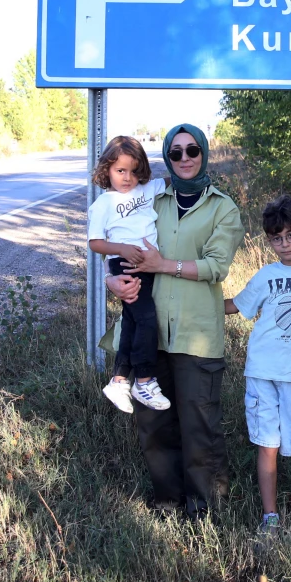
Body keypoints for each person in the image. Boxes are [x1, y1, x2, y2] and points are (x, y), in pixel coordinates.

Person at [106, 124, 242, 520]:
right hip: (148, 332)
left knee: (200, 425)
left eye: (192, 151)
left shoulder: (223, 208)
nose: (185, 159)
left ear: (204, 154)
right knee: (154, 424)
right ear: (167, 157)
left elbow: (217, 266)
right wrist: (111, 279)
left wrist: (163, 265)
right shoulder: (150, 200)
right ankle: (167, 501)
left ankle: (205, 509)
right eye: (176, 152)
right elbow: (120, 241)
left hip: (196, 334)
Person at [223, 195, 291, 537]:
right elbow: (236, 306)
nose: (284, 245)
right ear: (269, 240)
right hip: (263, 372)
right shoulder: (266, 276)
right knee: (267, 443)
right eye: (276, 239)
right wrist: (195, 301)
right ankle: (271, 517)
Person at [88, 135, 170, 413]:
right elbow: (95, 243)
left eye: (134, 171)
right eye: (120, 170)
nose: (127, 177)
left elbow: (171, 181)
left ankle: (119, 380)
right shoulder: (104, 204)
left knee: (133, 323)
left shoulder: (146, 189)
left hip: (146, 265)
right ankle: (144, 380)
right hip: (124, 265)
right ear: (107, 170)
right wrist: (122, 249)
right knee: (147, 320)